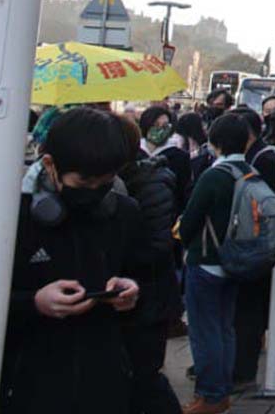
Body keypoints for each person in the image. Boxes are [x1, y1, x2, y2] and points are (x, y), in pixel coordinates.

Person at [3, 108, 142, 414]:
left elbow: (148, 284)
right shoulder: (10, 215)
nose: (94, 192)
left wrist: (131, 290)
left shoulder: (124, 213)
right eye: (84, 181)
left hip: (104, 381)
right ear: (49, 165)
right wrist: (33, 303)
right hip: (27, 385)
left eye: (105, 182)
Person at [177, 113, 254, 414]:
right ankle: (222, 389)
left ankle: (210, 395)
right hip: (237, 261)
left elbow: (190, 222)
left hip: (207, 260)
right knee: (224, 329)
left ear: (215, 142)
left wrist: (183, 235)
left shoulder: (214, 175)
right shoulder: (250, 172)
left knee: (204, 331)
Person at [115, 115, 183, 414]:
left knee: (145, 378)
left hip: (149, 297)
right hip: (142, 297)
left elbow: (157, 245)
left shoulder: (149, 183)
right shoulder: (125, 181)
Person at [227, 110, 275, 392]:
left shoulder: (263, 160)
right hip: (255, 243)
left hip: (254, 244)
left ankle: (243, 369)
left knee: (248, 309)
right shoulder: (256, 157)